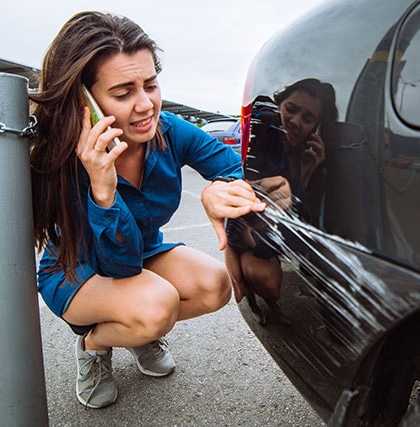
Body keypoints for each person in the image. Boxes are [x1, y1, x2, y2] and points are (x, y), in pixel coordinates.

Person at [29, 11, 265, 409]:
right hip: (76, 268)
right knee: (155, 308)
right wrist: (103, 192)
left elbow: (237, 168)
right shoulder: (61, 158)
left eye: (150, 85)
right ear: (84, 102)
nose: (145, 105)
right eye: (123, 93)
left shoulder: (169, 130)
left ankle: (134, 328)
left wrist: (218, 189)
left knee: (215, 285)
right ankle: (93, 344)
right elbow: (116, 265)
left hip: (141, 253)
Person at [225, 78, 337, 326]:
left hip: (271, 236)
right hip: (249, 235)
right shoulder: (261, 140)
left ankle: (268, 300)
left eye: (307, 119)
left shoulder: (311, 158)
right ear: (279, 106)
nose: (295, 122)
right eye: (291, 109)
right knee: (268, 281)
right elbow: (263, 224)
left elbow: (300, 221)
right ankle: (255, 298)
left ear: (315, 128)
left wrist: (306, 174)